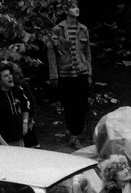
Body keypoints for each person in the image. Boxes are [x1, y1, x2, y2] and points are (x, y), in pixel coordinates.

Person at [47, 0, 93, 149]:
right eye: (73, 7)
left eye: (77, 6)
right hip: (65, 73)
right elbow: (51, 53)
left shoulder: (83, 29)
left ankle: (76, 134)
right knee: (69, 105)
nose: (76, 9)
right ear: (66, 10)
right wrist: (53, 74)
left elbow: (87, 52)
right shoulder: (57, 30)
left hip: (81, 72)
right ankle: (74, 135)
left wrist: (89, 72)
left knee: (82, 105)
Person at [0, 63, 30, 146]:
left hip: (19, 139)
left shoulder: (18, 91)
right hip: (1, 144)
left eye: (10, 74)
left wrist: (25, 124)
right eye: (5, 76)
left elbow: (26, 107)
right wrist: (4, 145)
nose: (10, 77)